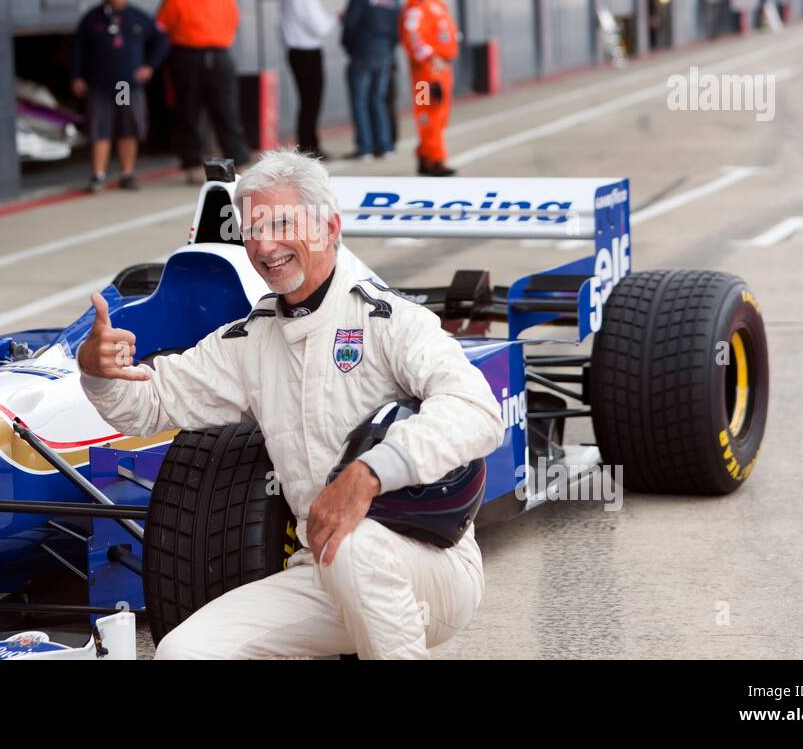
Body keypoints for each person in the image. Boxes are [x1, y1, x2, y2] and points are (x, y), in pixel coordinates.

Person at [77, 148, 503, 659]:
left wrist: (367, 475)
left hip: (432, 567)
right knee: (185, 651)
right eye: (253, 229)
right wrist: (97, 371)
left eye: (282, 222)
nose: (266, 244)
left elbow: (477, 410)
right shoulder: (251, 341)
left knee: (351, 545)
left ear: (328, 227)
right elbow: (148, 406)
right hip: (321, 567)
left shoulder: (389, 320)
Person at [70, 0, 170, 192]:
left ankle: (127, 173)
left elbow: (162, 39)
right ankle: (98, 175)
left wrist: (150, 66)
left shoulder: (138, 17)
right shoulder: (92, 18)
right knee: (100, 129)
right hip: (101, 84)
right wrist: (76, 75)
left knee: (128, 128)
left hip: (127, 85)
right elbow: (77, 48)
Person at [156, 0, 250, 183]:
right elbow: (162, 27)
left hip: (219, 55)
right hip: (187, 57)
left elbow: (233, 22)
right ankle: (191, 163)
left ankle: (239, 160)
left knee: (227, 110)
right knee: (188, 112)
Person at [401, 0, 460, 176]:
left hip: (440, 69)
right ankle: (434, 159)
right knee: (428, 112)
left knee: (439, 114)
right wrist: (429, 56)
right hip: (426, 72)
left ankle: (427, 155)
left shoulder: (433, 1)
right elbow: (411, 32)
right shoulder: (420, 0)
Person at [279, 0, 338, 159]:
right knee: (311, 102)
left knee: (306, 102)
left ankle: (308, 144)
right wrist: (336, 18)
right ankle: (309, 146)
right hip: (308, 52)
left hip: (295, 52)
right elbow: (320, 27)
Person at [341, 0, 400, 160]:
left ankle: (365, 147)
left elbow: (350, 24)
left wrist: (349, 48)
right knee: (378, 100)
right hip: (384, 54)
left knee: (360, 101)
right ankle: (385, 146)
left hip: (363, 53)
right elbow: (396, 29)